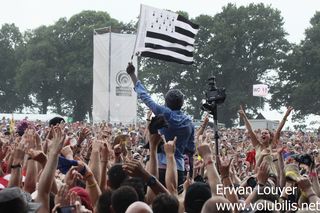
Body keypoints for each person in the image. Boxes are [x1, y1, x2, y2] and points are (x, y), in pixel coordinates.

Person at [126, 63, 195, 186]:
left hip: (159, 166)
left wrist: (132, 75)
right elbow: (190, 150)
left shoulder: (165, 113)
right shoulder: (189, 123)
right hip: (178, 168)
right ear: (182, 104)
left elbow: (145, 96)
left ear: (166, 103)